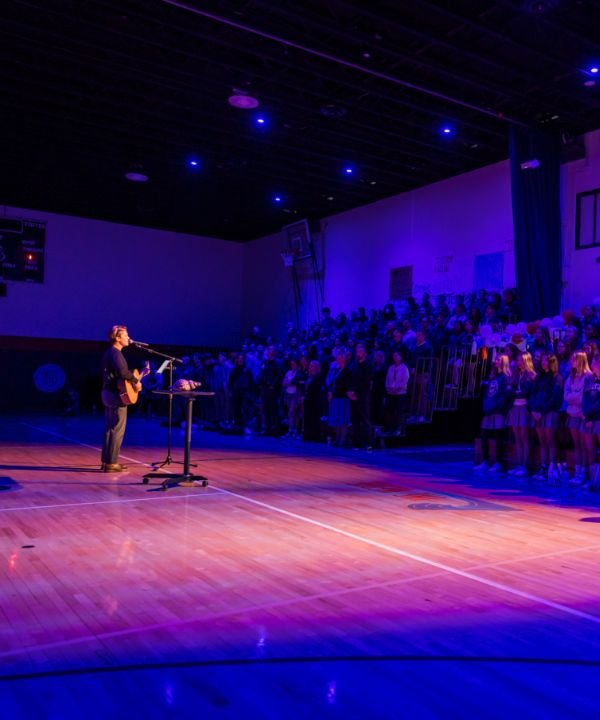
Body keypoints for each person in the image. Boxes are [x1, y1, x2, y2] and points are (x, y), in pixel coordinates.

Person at [101, 325, 148, 472]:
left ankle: (107, 462)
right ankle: (111, 464)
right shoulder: (116, 354)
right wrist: (137, 383)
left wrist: (140, 375)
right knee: (117, 429)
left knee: (110, 428)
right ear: (117, 338)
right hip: (115, 395)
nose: (129, 338)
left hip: (108, 393)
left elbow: (122, 377)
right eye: (126, 335)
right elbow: (123, 373)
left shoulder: (111, 353)